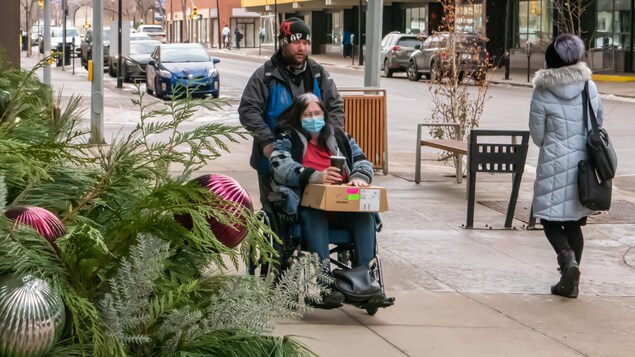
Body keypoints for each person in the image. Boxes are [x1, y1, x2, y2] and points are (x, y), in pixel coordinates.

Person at [270, 93, 376, 306]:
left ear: (325, 115)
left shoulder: (339, 137)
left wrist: (358, 177)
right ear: (298, 118)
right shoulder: (286, 139)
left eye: (317, 113)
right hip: (309, 207)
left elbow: (363, 161)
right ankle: (324, 285)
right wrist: (315, 175)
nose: (313, 117)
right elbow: (279, 167)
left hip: (344, 205)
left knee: (365, 216)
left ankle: (364, 283)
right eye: (307, 114)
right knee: (314, 215)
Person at [238, 17, 345, 213]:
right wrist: (267, 141)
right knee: (278, 213)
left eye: (305, 43)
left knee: (316, 211)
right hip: (274, 159)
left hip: (314, 157)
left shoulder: (318, 73)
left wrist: (333, 136)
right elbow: (248, 110)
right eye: (296, 42)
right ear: (283, 43)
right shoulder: (265, 76)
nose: (302, 48)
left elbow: (336, 105)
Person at [529, 34, 603, 298]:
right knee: (574, 223)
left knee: (549, 219)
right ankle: (570, 283)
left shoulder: (542, 89)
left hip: (553, 162)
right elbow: (598, 123)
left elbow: (537, 135)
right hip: (583, 167)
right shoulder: (588, 87)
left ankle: (567, 261)